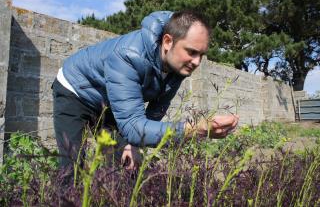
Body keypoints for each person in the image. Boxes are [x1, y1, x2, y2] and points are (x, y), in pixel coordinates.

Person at [52, 10, 239, 170]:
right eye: (191, 52)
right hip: (74, 91)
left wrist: (134, 144)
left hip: (112, 102)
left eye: (201, 54)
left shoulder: (178, 67)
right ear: (167, 42)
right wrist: (196, 129)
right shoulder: (128, 56)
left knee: (126, 163)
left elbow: (154, 112)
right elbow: (134, 126)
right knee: (72, 167)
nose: (197, 62)